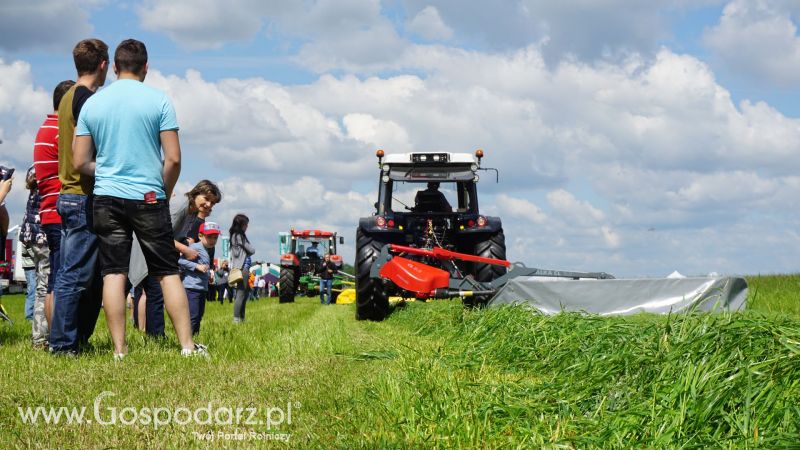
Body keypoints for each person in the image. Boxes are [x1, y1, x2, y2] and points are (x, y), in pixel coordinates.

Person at [73, 38, 205, 358]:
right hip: (148, 195)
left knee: (114, 273)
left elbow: (79, 162)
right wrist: (165, 189)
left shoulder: (93, 103)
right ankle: (187, 346)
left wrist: (106, 168)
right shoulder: (159, 101)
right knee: (167, 271)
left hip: (106, 196)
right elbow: (173, 159)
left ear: (115, 67)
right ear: (146, 67)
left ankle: (119, 350)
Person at [51, 39, 108, 356]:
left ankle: (76, 340)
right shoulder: (85, 99)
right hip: (81, 194)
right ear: (102, 65)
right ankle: (63, 344)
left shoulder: (68, 96)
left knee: (88, 277)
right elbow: (86, 151)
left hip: (70, 193)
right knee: (75, 276)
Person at [129, 179, 221, 337]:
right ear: (196, 193)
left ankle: (155, 337)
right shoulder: (180, 206)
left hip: (155, 253)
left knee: (155, 294)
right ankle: (156, 337)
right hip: (146, 252)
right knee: (155, 294)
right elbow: (159, 233)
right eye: (206, 199)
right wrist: (185, 249)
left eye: (212, 203)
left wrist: (184, 241)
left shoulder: (191, 212)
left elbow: (173, 234)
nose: (208, 205)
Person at [35, 79, 74, 329]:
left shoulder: (44, 128)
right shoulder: (61, 130)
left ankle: (53, 337)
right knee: (62, 279)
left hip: (48, 211)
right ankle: (60, 335)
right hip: (60, 212)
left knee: (54, 279)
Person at [20, 167, 50, 347]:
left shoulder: (33, 168)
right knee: (46, 287)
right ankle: (41, 337)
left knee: (41, 287)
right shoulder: (53, 170)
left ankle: (39, 336)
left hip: (31, 235)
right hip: (44, 235)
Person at [178, 221, 220, 335]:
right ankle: (188, 338)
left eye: (215, 238)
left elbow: (204, 267)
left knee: (199, 314)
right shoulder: (195, 247)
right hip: (192, 287)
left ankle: (195, 336)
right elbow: (180, 261)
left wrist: (208, 276)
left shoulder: (208, 250)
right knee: (193, 315)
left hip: (202, 288)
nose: (213, 240)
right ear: (200, 236)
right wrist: (197, 266)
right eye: (209, 237)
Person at [229, 214, 255, 323]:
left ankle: (241, 318)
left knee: (244, 293)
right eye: (246, 224)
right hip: (242, 268)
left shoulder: (235, 236)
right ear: (241, 224)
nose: (247, 226)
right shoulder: (238, 236)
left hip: (244, 268)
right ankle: (237, 319)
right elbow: (252, 250)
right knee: (241, 293)